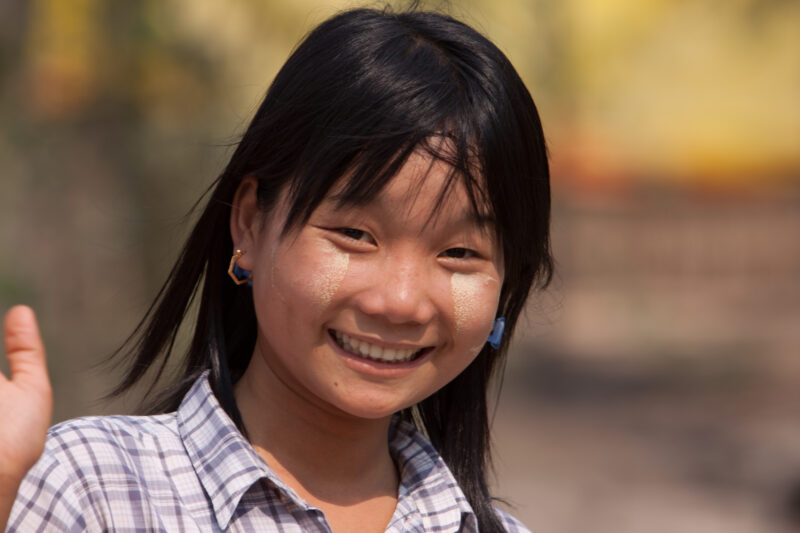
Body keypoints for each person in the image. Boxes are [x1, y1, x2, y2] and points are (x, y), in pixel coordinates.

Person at [1, 6, 551, 532]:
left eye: (459, 253)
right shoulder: (93, 489)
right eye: (356, 235)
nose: (401, 300)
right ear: (249, 224)